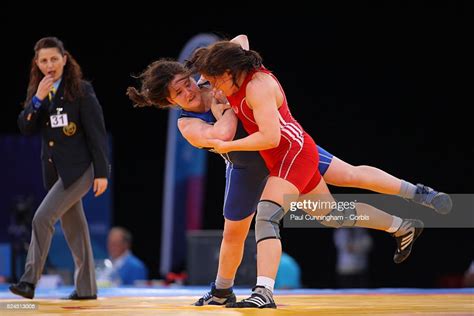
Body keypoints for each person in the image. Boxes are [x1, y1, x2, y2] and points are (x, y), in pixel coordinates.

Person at [127, 48, 451, 307]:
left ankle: (417, 192)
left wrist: (221, 71)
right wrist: (221, 105)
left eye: (187, 81)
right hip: (247, 166)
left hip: (283, 149)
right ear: (169, 103)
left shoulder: (216, 78)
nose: (190, 90)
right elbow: (222, 133)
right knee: (241, 232)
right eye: (179, 92)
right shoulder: (189, 121)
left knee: (348, 175)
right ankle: (222, 290)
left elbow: (239, 42)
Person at [10, 37, 109, 300]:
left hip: (80, 170)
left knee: (42, 218)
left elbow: (96, 134)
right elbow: (25, 127)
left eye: (54, 58)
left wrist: (102, 172)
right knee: (76, 230)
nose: (49, 64)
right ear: (37, 63)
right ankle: (87, 289)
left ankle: (29, 282)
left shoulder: (81, 90)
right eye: (44, 60)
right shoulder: (40, 92)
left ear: (65, 59)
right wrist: (38, 100)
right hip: (57, 174)